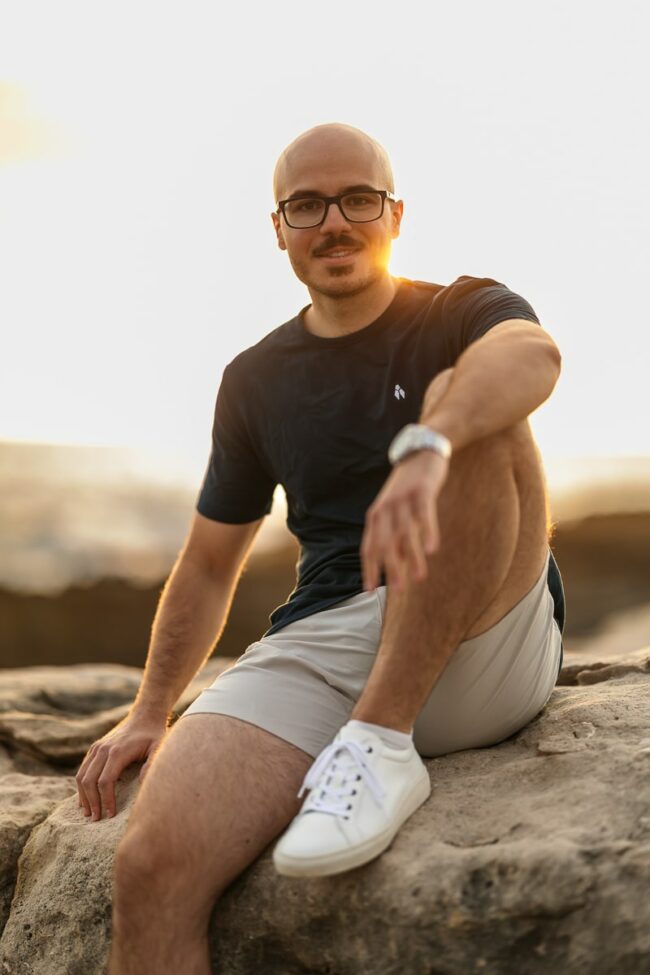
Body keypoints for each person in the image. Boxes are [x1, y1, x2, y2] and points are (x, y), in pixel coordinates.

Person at [76, 122, 565, 974]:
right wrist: (153, 708)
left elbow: (535, 354)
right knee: (150, 867)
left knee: (472, 393)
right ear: (279, 228)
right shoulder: (256, 378)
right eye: (307, 204)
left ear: (395, 214)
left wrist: (428, 444)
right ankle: (362, 731)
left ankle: (380, 742)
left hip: (482, 632)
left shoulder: (460, 309)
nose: (334, 221)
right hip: (327, 641)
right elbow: (206, 562)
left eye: (358, 199)